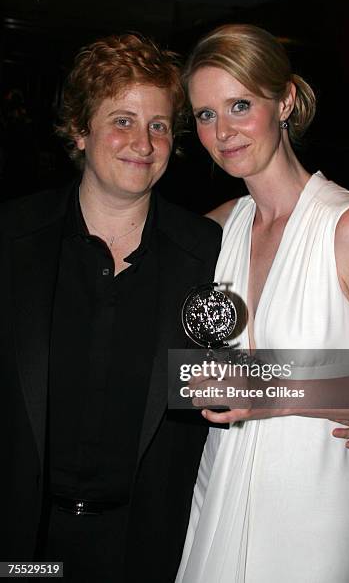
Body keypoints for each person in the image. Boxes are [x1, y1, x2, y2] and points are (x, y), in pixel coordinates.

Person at [175, 24, 349, 582]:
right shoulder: (218, 227)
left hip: (311, 502)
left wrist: (278, 393)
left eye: (240, 105)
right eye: (206, 114)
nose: (223, 131)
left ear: (284, 100)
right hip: (219, 483)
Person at [0, 33, 223, 582]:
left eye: (159, 125)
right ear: (80, 129)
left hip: (145, 546)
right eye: (122, 120)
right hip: (25, 544)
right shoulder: (12, 238)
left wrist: (334, 402)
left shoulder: (208, 255)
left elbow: (229, 381)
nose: (142, 144)